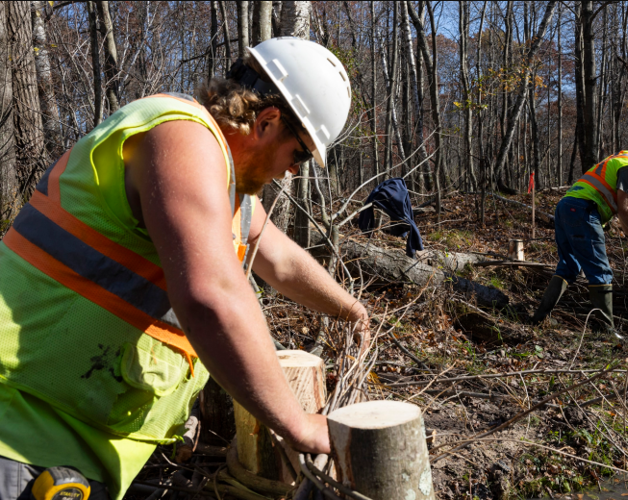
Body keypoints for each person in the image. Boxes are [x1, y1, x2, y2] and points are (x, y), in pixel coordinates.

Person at [0, 38, 368, 500]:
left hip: (72, 443)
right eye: (298, 154)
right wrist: (298, 424)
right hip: (20, 426)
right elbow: (211, 296)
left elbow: (280, 259)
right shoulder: (182, 136)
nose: (294, 172)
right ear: (267, 122)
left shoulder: (231, 192)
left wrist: (350, 309)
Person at [531, 145, 628, 329]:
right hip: (583, 211)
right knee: (601, 273)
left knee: (568, 267)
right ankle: (606, 331)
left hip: (566, 207)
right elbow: (627, 210)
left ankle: (539, 318)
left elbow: (620, 209)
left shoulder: (624, 158)